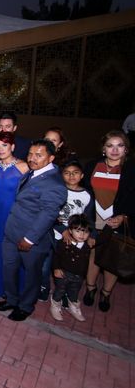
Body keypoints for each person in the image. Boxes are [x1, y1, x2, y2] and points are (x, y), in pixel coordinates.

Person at [0, 140, 67, 321]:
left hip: (31, 239)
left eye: (39, 155)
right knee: (9, 268)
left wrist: (30, 239)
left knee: (32, 275)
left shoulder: (54, 183)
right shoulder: (32, 172)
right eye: (31, 154)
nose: (33, 158)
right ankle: (11, 299)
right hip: (11, 232)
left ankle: (25, 306)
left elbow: (48, 214)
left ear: (51, 158)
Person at [82, 130, 135, 312]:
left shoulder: (131, 170)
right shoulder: (92, 166)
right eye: (110, 145)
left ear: (126, 149)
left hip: (117, 221)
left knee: (113, 259)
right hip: (94, 219)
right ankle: (90, 289)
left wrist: (124, 216)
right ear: (103, 148)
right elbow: (85, 194)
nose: (114, 150)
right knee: (93, 255)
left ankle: (106, 293)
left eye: (119, 145)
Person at [39, 159, 93, 302]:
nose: (71, 176)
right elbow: (49, 214)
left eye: (75, 173)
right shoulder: (57, 190)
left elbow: (88, 218)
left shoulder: (86, 195)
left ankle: (62, 293)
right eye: (67, 173)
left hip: (73, 239)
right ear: (61, 175)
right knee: (46, 266)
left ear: (82, 176)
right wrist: (62, 229)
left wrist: (90, 235)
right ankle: (44, 287)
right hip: (53, 234)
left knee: (68, 268)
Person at [0, 132, 29, 299]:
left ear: (13, 147)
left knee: (12, 253)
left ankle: (15, 289)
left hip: (14, 214)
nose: (0, 149)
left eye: (4, 145)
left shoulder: (24, 167)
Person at [50, 215, 92, 322]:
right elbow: (56, 256)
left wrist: (109, 228)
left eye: (85, 232)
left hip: (79, 276)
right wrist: (56, 268)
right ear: (70, 231)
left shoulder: (87, 246)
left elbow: (102, 239)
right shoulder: (64, 243)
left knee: (74, 292)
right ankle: (55, 305)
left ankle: (73, 307)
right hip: (63, 274)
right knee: (60, 290)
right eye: (78, 231)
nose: (82, 235)